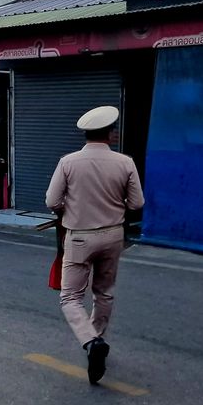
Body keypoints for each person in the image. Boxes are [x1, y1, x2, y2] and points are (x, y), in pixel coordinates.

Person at [45, 106, 145, 385]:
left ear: (86, 134)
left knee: (70, 297)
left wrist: (71, 206)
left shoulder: (68, 162)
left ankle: (90, 342)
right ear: (110, 134)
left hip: (79, 237)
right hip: (113, 236)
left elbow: (52, 201)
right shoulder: (125, 163)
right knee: (104, 292)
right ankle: (97, 337)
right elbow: (137, 204)